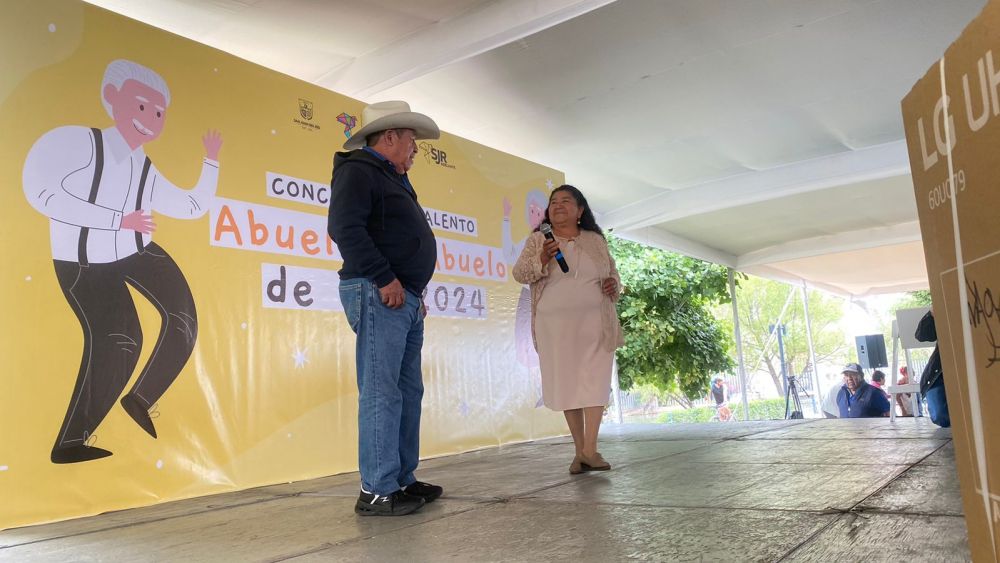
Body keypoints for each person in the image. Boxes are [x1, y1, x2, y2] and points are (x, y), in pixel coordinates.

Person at [23, 59, 222, 464]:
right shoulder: (76, 143)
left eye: (159, 112)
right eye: (142, 106)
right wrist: (116, 220)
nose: (151, 119)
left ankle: (141, 399)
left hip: (134, 250)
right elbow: (41, 191)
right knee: (122, 340)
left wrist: (211, 162)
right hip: (84, 261)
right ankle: (70, 442)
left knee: (182, 315)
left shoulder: (143, 165)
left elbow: (189, 205)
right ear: (112, 98)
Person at [328, 101, 443, 517]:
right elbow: (344, 228)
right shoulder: (359, 170)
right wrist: (385, 278)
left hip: (403, 296)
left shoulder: (392, 177)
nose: (415, 151)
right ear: (390, 136)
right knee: (382, 391)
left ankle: (400, 480)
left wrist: (413, 290)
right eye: (412, 142)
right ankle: (376, 490)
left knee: (408, 390)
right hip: (380, 291)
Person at [512, 185, 623, 475]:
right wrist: (543, 259)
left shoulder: (596, 240)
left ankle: (590, 449)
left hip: (596, 322)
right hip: (554, 326)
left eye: (566, 201)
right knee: (568, 383)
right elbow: (520, 274)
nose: (558, 206)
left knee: (596, 381)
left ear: (580, 210)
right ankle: (581, 452)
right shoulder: (538, 239)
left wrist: (614, 285)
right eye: (553, 202)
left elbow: (612, 273)